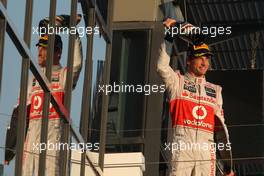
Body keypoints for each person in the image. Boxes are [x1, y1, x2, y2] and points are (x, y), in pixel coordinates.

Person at [4, 16, 83, 176]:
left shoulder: (63, 76)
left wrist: (73, 31)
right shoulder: (33, 80)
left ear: (58, 53)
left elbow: (77, 64)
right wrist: (9, 149)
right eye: (39, 47)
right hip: (32, 136)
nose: (40, 51)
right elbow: (18, 113)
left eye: (45, 48)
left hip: (53, 137)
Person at [157, 18, 234, 176]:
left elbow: (221, 129)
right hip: (183, 146)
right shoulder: (177, 82)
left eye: (207, 58)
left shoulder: (216, 90)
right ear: (189, 60)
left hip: (207, 150)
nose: (204, 62)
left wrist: (228, 165)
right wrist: (170, 34)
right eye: (200, 57)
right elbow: (161, 66)